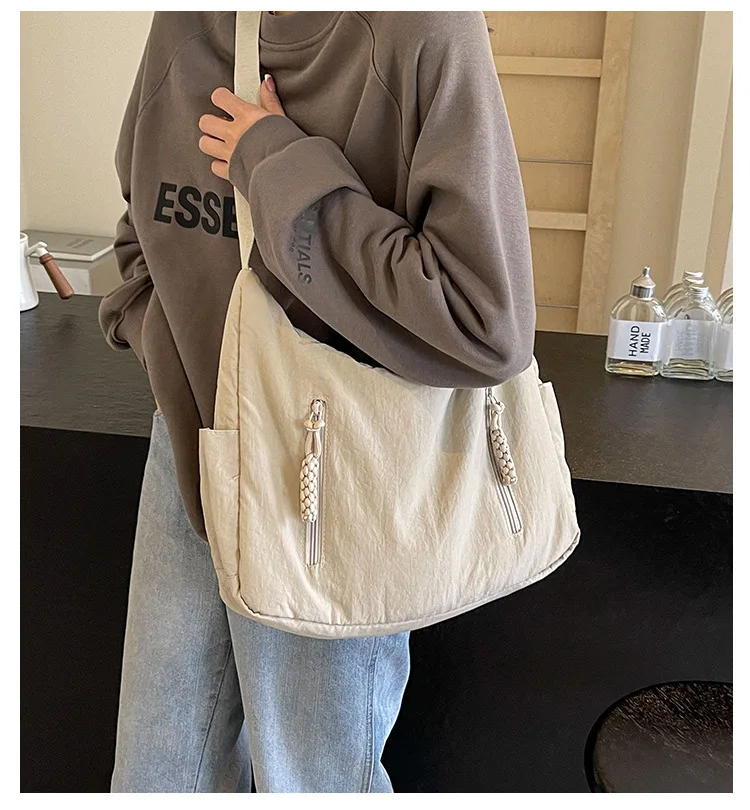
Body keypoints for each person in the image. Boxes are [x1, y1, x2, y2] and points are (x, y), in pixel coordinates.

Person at [99, 10, 535, 793]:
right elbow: (144, 221)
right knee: (154, 779)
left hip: (333, 469)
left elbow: (484, 322)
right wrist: (159, 339)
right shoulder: (185, 22)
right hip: (192, 439)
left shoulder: (426, 30)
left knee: (314, 783)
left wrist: (278, 164)